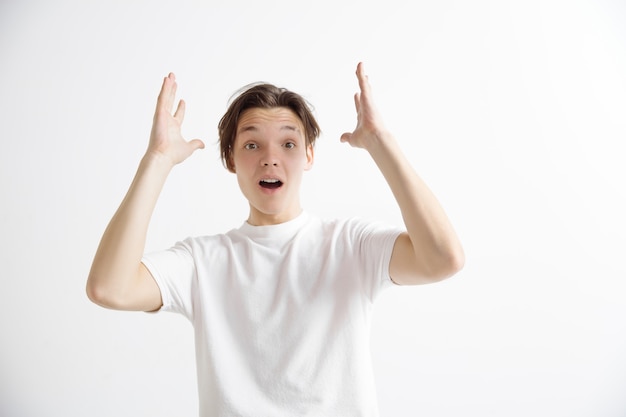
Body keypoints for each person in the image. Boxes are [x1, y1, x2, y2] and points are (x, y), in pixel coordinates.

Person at [86, 62, 464, 416]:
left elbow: (443, 258)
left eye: (288, 144)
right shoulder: (201, 261)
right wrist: (157, 159)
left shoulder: (351, 244)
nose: (270, 159)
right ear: (230, 159)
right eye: (252, 145)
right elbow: (109, 288)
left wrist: (381, 142)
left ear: (309, 155)